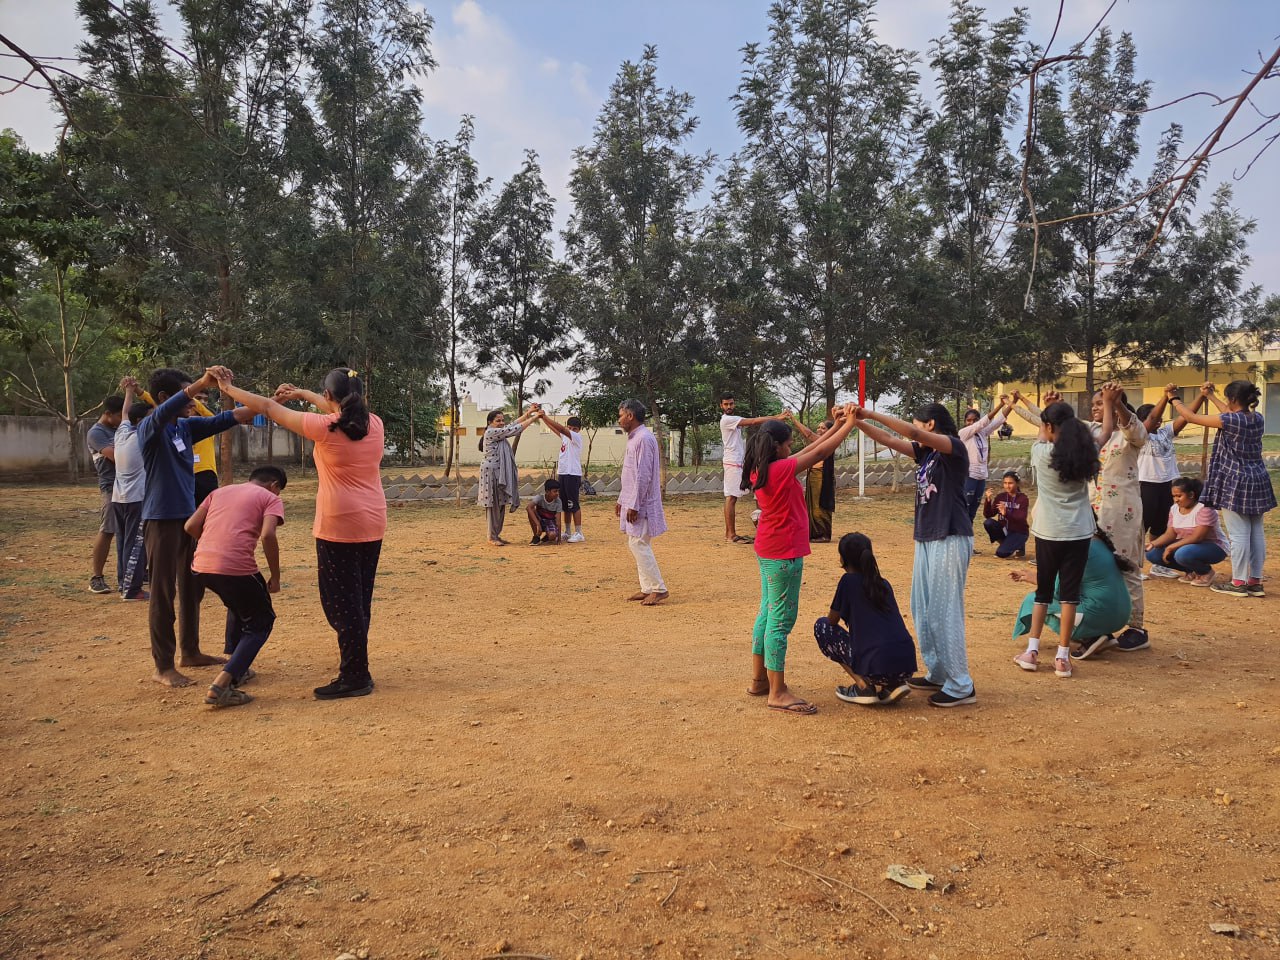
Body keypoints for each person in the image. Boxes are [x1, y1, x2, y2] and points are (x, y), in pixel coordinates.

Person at [216, 368, 387, 700]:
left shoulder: (326, 428)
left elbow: (266, 407)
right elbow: (337, 407)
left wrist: (228, 387)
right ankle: (356, 666)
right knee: (359, 600)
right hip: (372, 521)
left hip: (339, 525)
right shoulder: (373, 424)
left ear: (328, 397)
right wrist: (302, 394)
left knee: (341, 604)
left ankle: (355, 674)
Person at [849, 402, 976, 707]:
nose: (915, 429)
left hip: (950, 535)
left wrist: (869, 413)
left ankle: (961, 685)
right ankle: (938, 671)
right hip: (927, 537)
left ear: (931, 425)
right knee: (923, 608)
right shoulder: (927, 453)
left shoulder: (953, 447)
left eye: (919, 423)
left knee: (945, 610)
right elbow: (890, 440)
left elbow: (910, 432)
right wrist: (856, 422)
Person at [137, 366, 251, 688]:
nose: (195, 400)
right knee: (162, 592)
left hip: (188, 521)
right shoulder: (150, 427)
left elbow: (227, 419)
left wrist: (269, 402)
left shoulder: (184, 428)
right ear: (164, 397)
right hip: (161, 520)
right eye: (190, 394)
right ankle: (163, 666)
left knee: (191, 586)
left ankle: (190, 650)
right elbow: (166, 412)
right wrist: (202, 381)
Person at [1014, 384, 1149, 651]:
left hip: (1120, 511)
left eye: (1102, 403)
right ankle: (1097, 627)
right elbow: (1055, 426)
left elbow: (1133, 431)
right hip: (1090, 512)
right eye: (1096, 403)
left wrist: (1116, 403)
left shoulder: (1130, 432)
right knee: (1089, 570)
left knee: (1125, 565)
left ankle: (1136, 626)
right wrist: (1050, 408)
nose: (1098, 406)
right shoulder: (1088, 432)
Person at [742, 407, 857, 715]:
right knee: (780, 621)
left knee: (766, 615)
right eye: (789, 444)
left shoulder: (762, 468)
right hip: (783, 554)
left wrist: (840, 424)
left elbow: (815, 446)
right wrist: (850, 424)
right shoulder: (780, 470)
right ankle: (777, 692)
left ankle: (759, 680)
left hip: (769, 550)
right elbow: (821, 449)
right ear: (778, 446)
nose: (792, 448)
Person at [1009, 400, 1099, 676]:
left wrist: (1044, 409)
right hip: (1079, 531)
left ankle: (1032, 651)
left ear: (1048, 426)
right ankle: (1063, 657)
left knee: (1043, 593)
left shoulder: (1041, 452)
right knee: (1070, 595)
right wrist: (1107, 403)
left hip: (1049, 531)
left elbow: (1041, 433)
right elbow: (1104, 431)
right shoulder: (1086, 452)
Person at [186, 465, 286, 708]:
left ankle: (237, 665)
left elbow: (190, 526)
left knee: (238, 603)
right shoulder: (270, 498)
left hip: (201, 565)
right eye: (279, 490)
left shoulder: (220, 492)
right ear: (274, 485)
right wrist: (275, 575)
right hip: (235, 566)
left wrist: (214, 544)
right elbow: (268, 535)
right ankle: (221, 685)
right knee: (261, 622)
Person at [1166, 381, 1276, 597]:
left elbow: (1191, 418)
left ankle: (1238, 583)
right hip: (1258, 478)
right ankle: (1255, 581)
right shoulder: (1257, 418)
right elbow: (1228, 413)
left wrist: (1174, 399)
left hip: (1235, 480)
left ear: (1232, 399)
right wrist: (1210, 395)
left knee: (1239, 534)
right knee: (1256, 532)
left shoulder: (1229, 420)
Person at [813, 532, 917, 706]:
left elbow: (831, 621)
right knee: (881, 639)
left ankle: (863, 686)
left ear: (843, 560)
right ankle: (894, 684)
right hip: (905, 663)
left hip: (876, 663)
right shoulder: (883, 583)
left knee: (822, 626)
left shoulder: (848, 581)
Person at [1010, 530, 1132, 662]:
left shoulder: (1077, 546)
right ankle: (1099, 634)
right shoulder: (1098, 542)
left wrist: (1033, 578)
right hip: (1121, 614)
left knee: (1033, 600)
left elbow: (1059, 589)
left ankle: (1091, 637)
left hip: (1099, 613)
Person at [1136, 393, 1202, 577]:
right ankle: (1135, 566)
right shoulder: (1141, 434)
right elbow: (1153, 418)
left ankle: (1157, 563)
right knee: (1141, 527)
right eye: (1154, 418)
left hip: (1166, 485)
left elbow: (1187, 415)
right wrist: (1166, 397)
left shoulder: (1165, 432)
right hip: (1146, 484)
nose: (1158, 421)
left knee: (1162, 526)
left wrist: (1202, 396)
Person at [617, 398, 669, 606]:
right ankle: (647, 588)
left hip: (643, 502)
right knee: (638, 542)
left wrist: (635, 504)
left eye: (620, 415)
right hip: (633, 500)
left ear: (630, 415)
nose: (619, 419)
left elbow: (644, 476)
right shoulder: (635, 438)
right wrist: (622, 499)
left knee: (638, 543)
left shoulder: (644, 439)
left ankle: (658, 588)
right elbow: (629, 474)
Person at [1144, 476, 1229, 587]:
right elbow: (1170, 533)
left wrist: (1171, 547)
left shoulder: (1204, 509)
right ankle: (1191, 570)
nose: (1176, 499)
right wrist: (1153, 544)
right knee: (1152, 553)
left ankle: (1206, 572)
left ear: (1191, 495)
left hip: (1214, 547)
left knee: (1182, 553)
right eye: (1174, 496)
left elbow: (1197, 537)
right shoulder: (1174, 509)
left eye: (1179, 496)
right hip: (1188, 546)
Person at [111, 376, 151, 600]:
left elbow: (125, 413)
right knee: (135, 545)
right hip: (136, 498)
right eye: (149, 418)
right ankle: (132, 589)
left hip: (119, 498)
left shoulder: (122, 432)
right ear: (141, 421)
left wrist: (129, 391)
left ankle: (122, 582)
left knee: (123, 543)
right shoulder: (142, 438)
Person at [478, 406, 540, 546]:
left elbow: (512, 425)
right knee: (493, 506)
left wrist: (528, 413)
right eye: (497, 420)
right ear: (489, 422)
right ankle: (491, 537)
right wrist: (534, 418)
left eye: (502, 420)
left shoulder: (499, 432)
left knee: (500, 504)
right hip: (491, 473)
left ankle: (496, 535)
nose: (501, 423)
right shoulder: (491, 432)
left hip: (500, 474)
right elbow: (513, 429)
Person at [719, 394, 773, 543]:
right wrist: (776, 418)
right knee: (731, 497)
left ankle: (759, 529)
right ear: (721, 406)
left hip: (739, 462)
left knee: (756, 491)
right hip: (732, 463)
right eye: (726, 404)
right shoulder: (727, 420)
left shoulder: (733, 419)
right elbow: (754, 421)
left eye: (731, 404)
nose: (729, 407)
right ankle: (730, 534)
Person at [87, 393, 125, 594]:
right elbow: (117, 457)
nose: (123, 419)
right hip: (111, 487)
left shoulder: (119, 429)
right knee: (108, 529)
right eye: (120, 415)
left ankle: (133, 571)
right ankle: (97, 577)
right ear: (108, 414)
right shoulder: (96, 433)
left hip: (129, 486)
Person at [960, 396, 1013, 532]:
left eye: (974, 420)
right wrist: (1000, 404)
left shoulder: (982, 433)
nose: (971, 423)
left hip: (981, 477)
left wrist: (1013, 403)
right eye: (968, 420)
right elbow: (983, 423)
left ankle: (968, 544)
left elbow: (998, 421)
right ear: (965, 422)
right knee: (964, 510)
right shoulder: (964, 433)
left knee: (972, 511)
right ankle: (959, 541)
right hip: (969, 476)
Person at [782, 410, 837, 542]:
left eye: (823, 428)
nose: (819, 429)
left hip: (822, 476)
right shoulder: (819, 442)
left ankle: (823, 534)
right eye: (818, 427)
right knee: (811, 505)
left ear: (830, 431)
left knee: (820, 505)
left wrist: (794, 420)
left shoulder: (828, 440)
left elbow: (808, 434)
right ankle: (813, 533)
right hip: (813, 474)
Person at [540, 411, 586, 542]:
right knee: (565, 504)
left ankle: (579, 532)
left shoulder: (576, 437)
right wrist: (542, 418)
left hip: (573, 474)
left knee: (573, 504)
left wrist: (545, 417)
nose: (571, 430)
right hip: (564, 473)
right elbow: (555, 429)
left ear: (579, 430)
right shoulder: (565, 437)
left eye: (574, 429)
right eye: (569, 428)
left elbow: (560, 428)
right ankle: (567, 531)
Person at [981, 470, 1030, 558]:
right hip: (1005, 529)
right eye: (1005, 483)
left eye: (1010, 483)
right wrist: (988, 500)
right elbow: (988, 515)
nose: (1007, 486)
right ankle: (1006, 544)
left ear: (1017, 483)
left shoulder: (1023, 498)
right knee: (988, 523)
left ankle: (1019, 545)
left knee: (1001, 554)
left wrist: (1005, 513)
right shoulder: (1001, 497)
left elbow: (1021, 518)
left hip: (1019, 532)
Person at [526, 479, 562, 545]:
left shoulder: (558, 502)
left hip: (550, 521)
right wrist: (538, 524)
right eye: (555, 491)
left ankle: (548, 536)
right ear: (547, 492)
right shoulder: (539, 498)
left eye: (558, 491)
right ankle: (536, 537)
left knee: (552, 535)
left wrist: (559, 538)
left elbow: (558, 521)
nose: (557, 493)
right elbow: (528, 507)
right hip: (540, 519)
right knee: (531, 510)